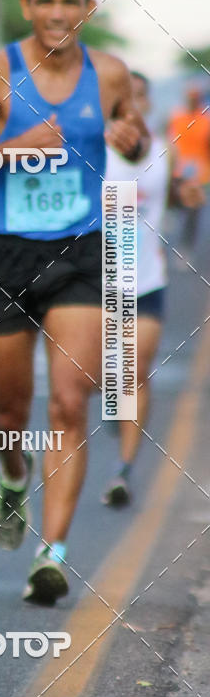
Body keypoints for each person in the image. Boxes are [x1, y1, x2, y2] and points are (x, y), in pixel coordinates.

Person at [0, 0, 148, 605]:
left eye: (70, 3)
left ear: (88, 10)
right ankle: (13, 475)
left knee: (70, 402)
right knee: (10, 410)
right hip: (5, 255)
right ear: (26, 7)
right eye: (45, 2)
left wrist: (133, 138)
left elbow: (134, 139)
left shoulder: (111, 74)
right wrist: (13, 148)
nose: (58, 15)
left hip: (82, 252)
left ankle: (53, 553)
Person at [102, 72, 205, 506]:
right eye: (122, 97)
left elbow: (183, 193)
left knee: (134, 370)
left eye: (139, 97)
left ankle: (124, 469)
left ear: (148, 105)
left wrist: (188, 194)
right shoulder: (90, 150)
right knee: (105, 374)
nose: (131, 105)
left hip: (144, 278)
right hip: (91, 281)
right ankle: (114, 402)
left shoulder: (166, 151)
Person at [167, 84, 210, 258]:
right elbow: (170, 143)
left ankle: (185, 248)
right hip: (180, 173)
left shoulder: (205, 120)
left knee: (193, 211)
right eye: (190, 97)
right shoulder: (177, 117)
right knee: (179, 207)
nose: (192, 100)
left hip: (201, 175)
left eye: (195, 96)